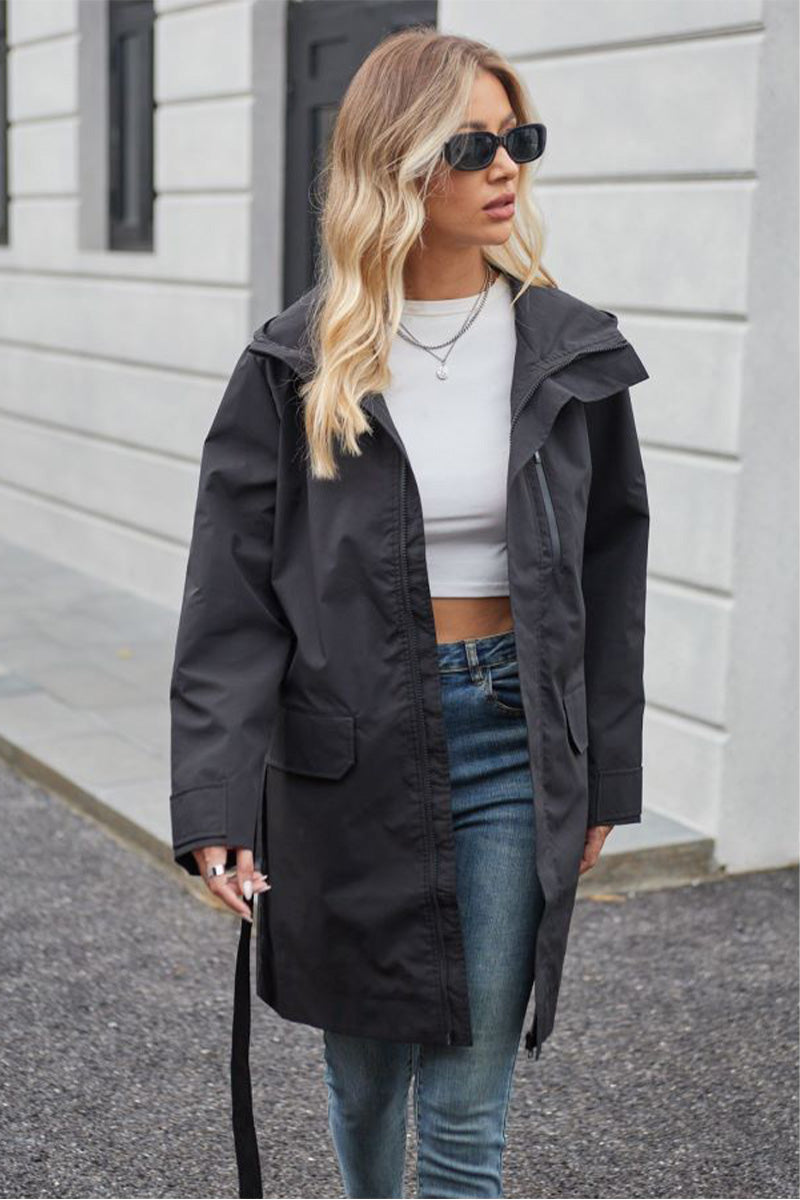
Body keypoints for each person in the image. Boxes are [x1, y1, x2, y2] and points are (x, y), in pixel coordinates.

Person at [168, 27, 650, 1200]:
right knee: (366, 1077)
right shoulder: (296, 364)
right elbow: (231, 600)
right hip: (345, 753)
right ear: (397, 164)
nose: (505, 170)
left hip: (510, 733)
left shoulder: (568, 350)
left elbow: (611, 568)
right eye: (472, 144)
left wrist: (601, 771)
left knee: (469, 1101)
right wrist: (214, 803)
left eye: (517, 141)